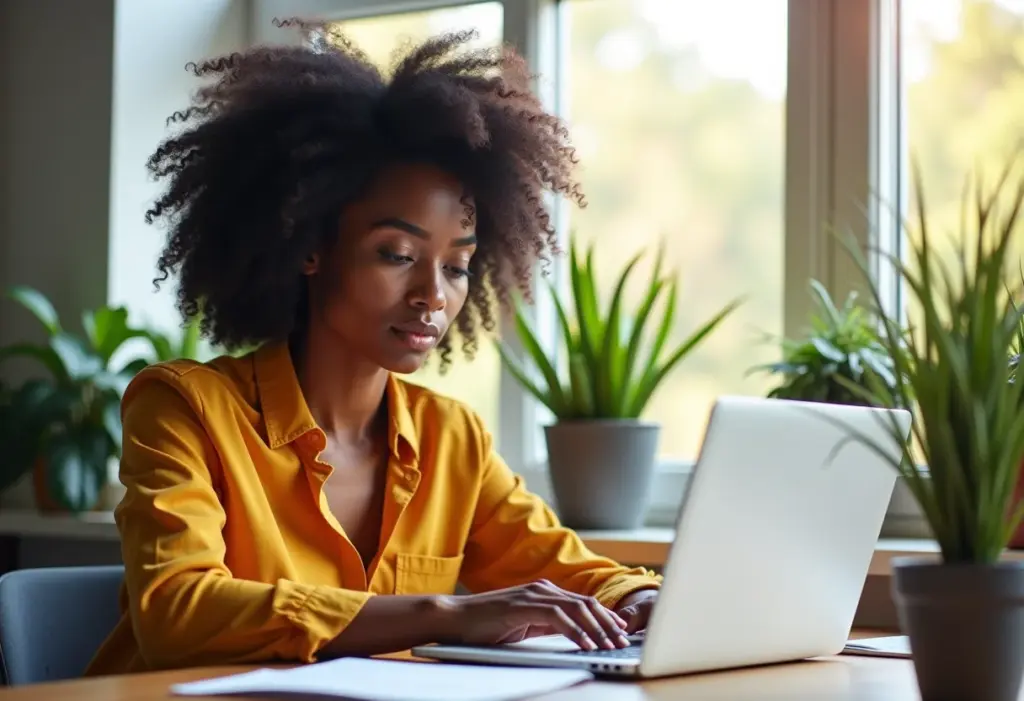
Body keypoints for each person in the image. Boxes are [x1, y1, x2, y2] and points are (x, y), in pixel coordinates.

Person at [86, 24, 661, 675]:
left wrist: (639, 597)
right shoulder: (184, 408)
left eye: (457, 266)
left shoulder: (451, 440)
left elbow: (568, 569)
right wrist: (444, 612)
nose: (433, 295)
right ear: (310, 247)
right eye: (398, 254)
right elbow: (177, 612)